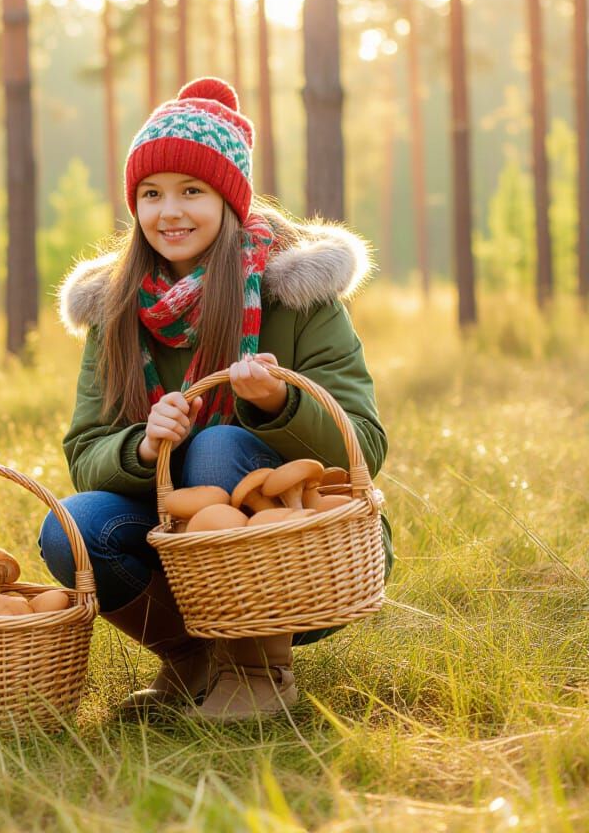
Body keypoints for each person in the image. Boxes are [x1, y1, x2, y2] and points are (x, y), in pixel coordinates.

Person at [38, 77, 390, 721]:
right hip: (178, 544)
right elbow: (85, 451)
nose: (168, 212)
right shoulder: (117, 308)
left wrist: (277, 406)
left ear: (228, 199)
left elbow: (363, 446)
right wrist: (142, 444)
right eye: (151, 194)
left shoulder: (295, 292)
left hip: (302, 549)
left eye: (191, 191)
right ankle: (193, 659)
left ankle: (258, 667)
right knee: (75, 527)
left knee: (219, 443)